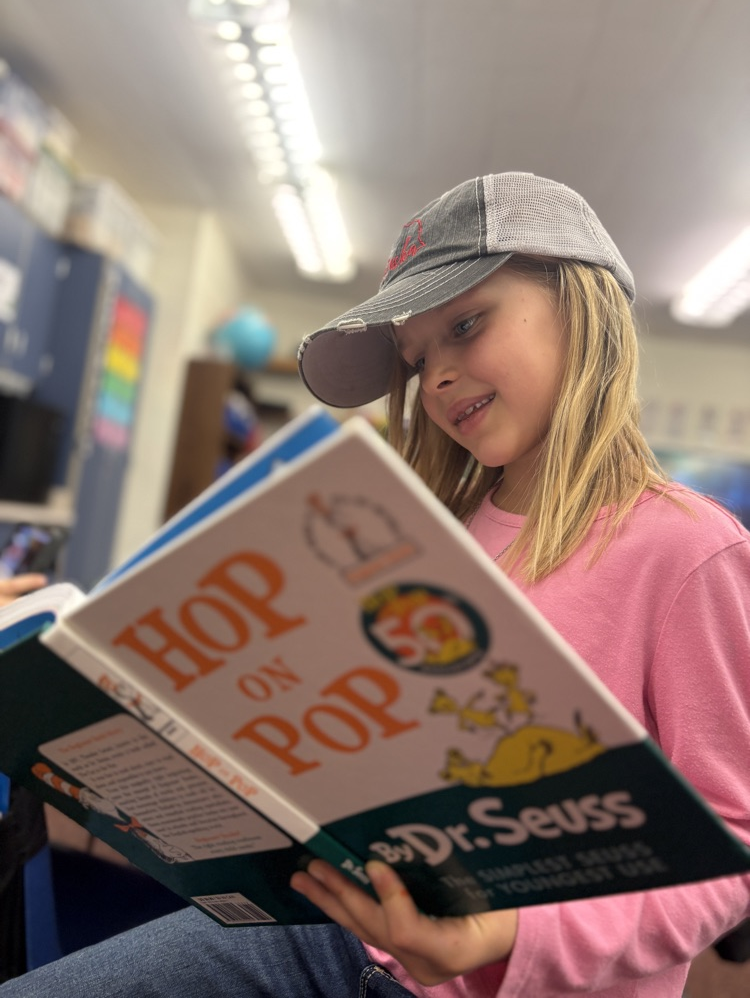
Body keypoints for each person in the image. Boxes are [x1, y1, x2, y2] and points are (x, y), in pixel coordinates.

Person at [2, 172, 749, 997]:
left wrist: (510, 933)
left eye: (466, 324)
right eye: (418, 359)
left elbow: (730, 853)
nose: (435, 379)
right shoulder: (430, 536)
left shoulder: (688, 550)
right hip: (338, 940)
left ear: (582, 303)